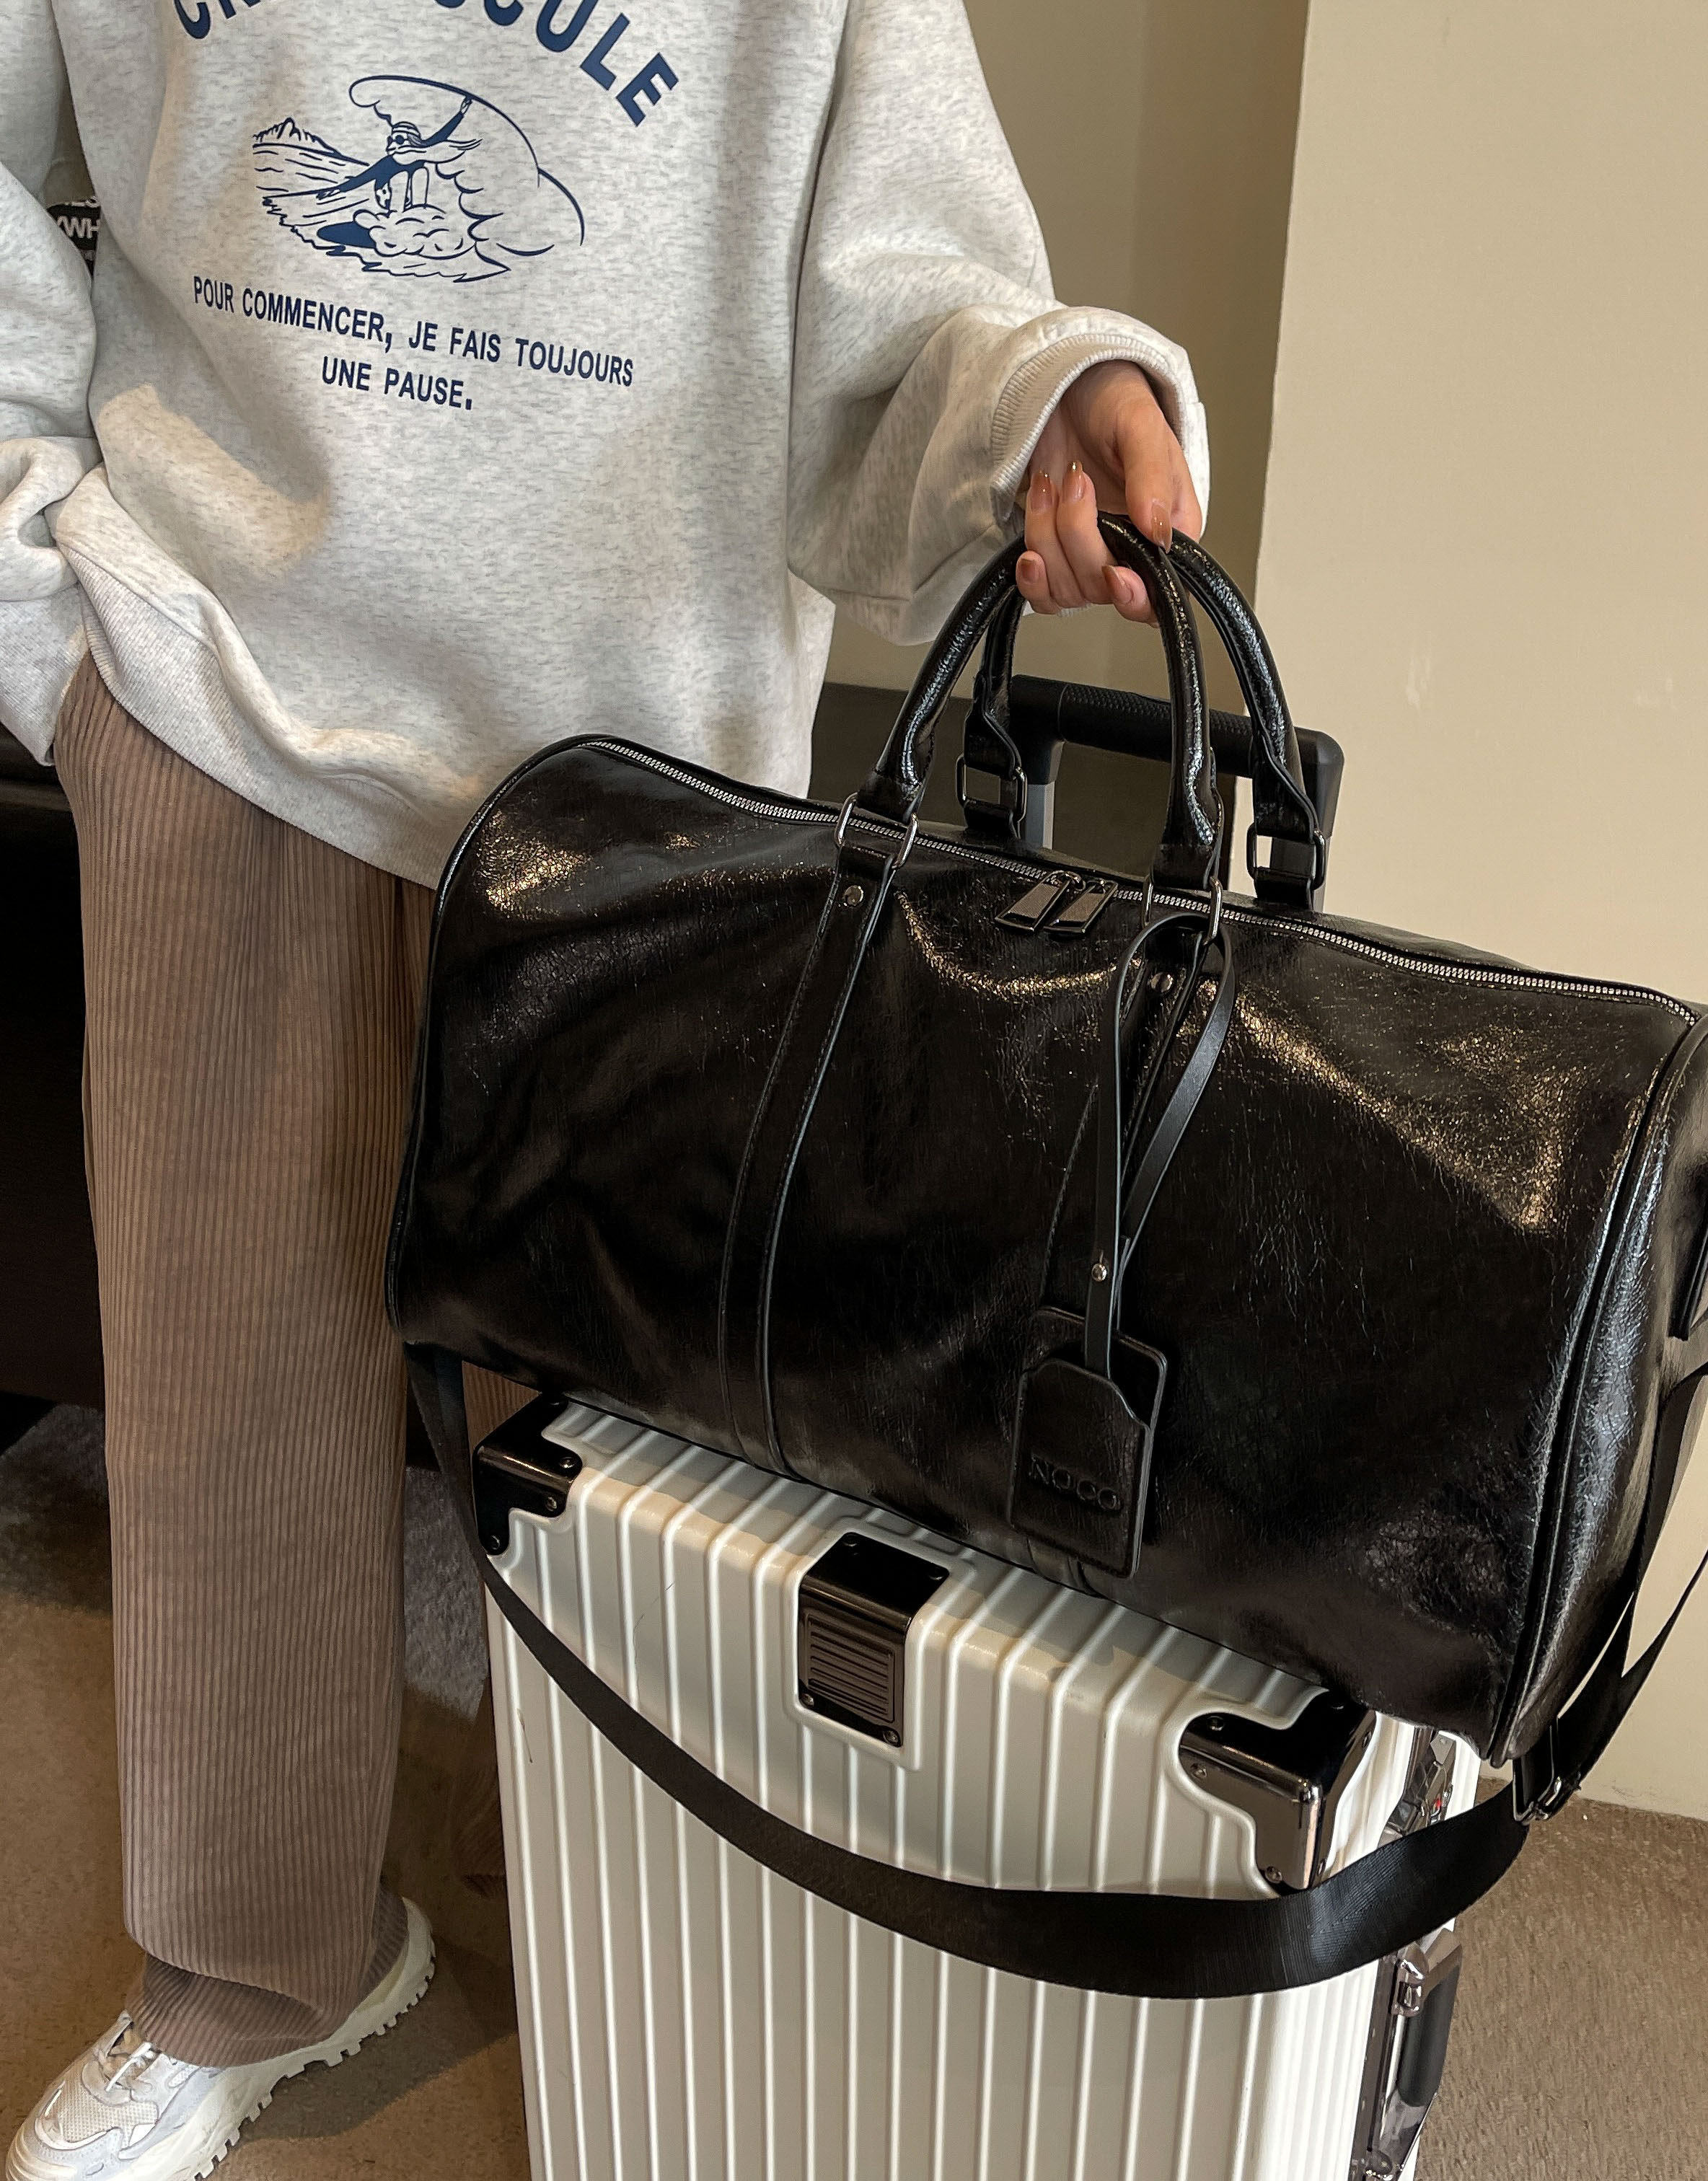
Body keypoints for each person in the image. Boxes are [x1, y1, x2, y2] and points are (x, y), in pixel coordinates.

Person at [0, 3, 1205, 2175]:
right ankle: (257, 1972)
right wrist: (35, 615)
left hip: (640, 766)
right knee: (221, 1384)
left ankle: (674, 1985)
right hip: (201, 682)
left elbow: (903, 287)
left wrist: (1046, 395)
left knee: (635, 1447)